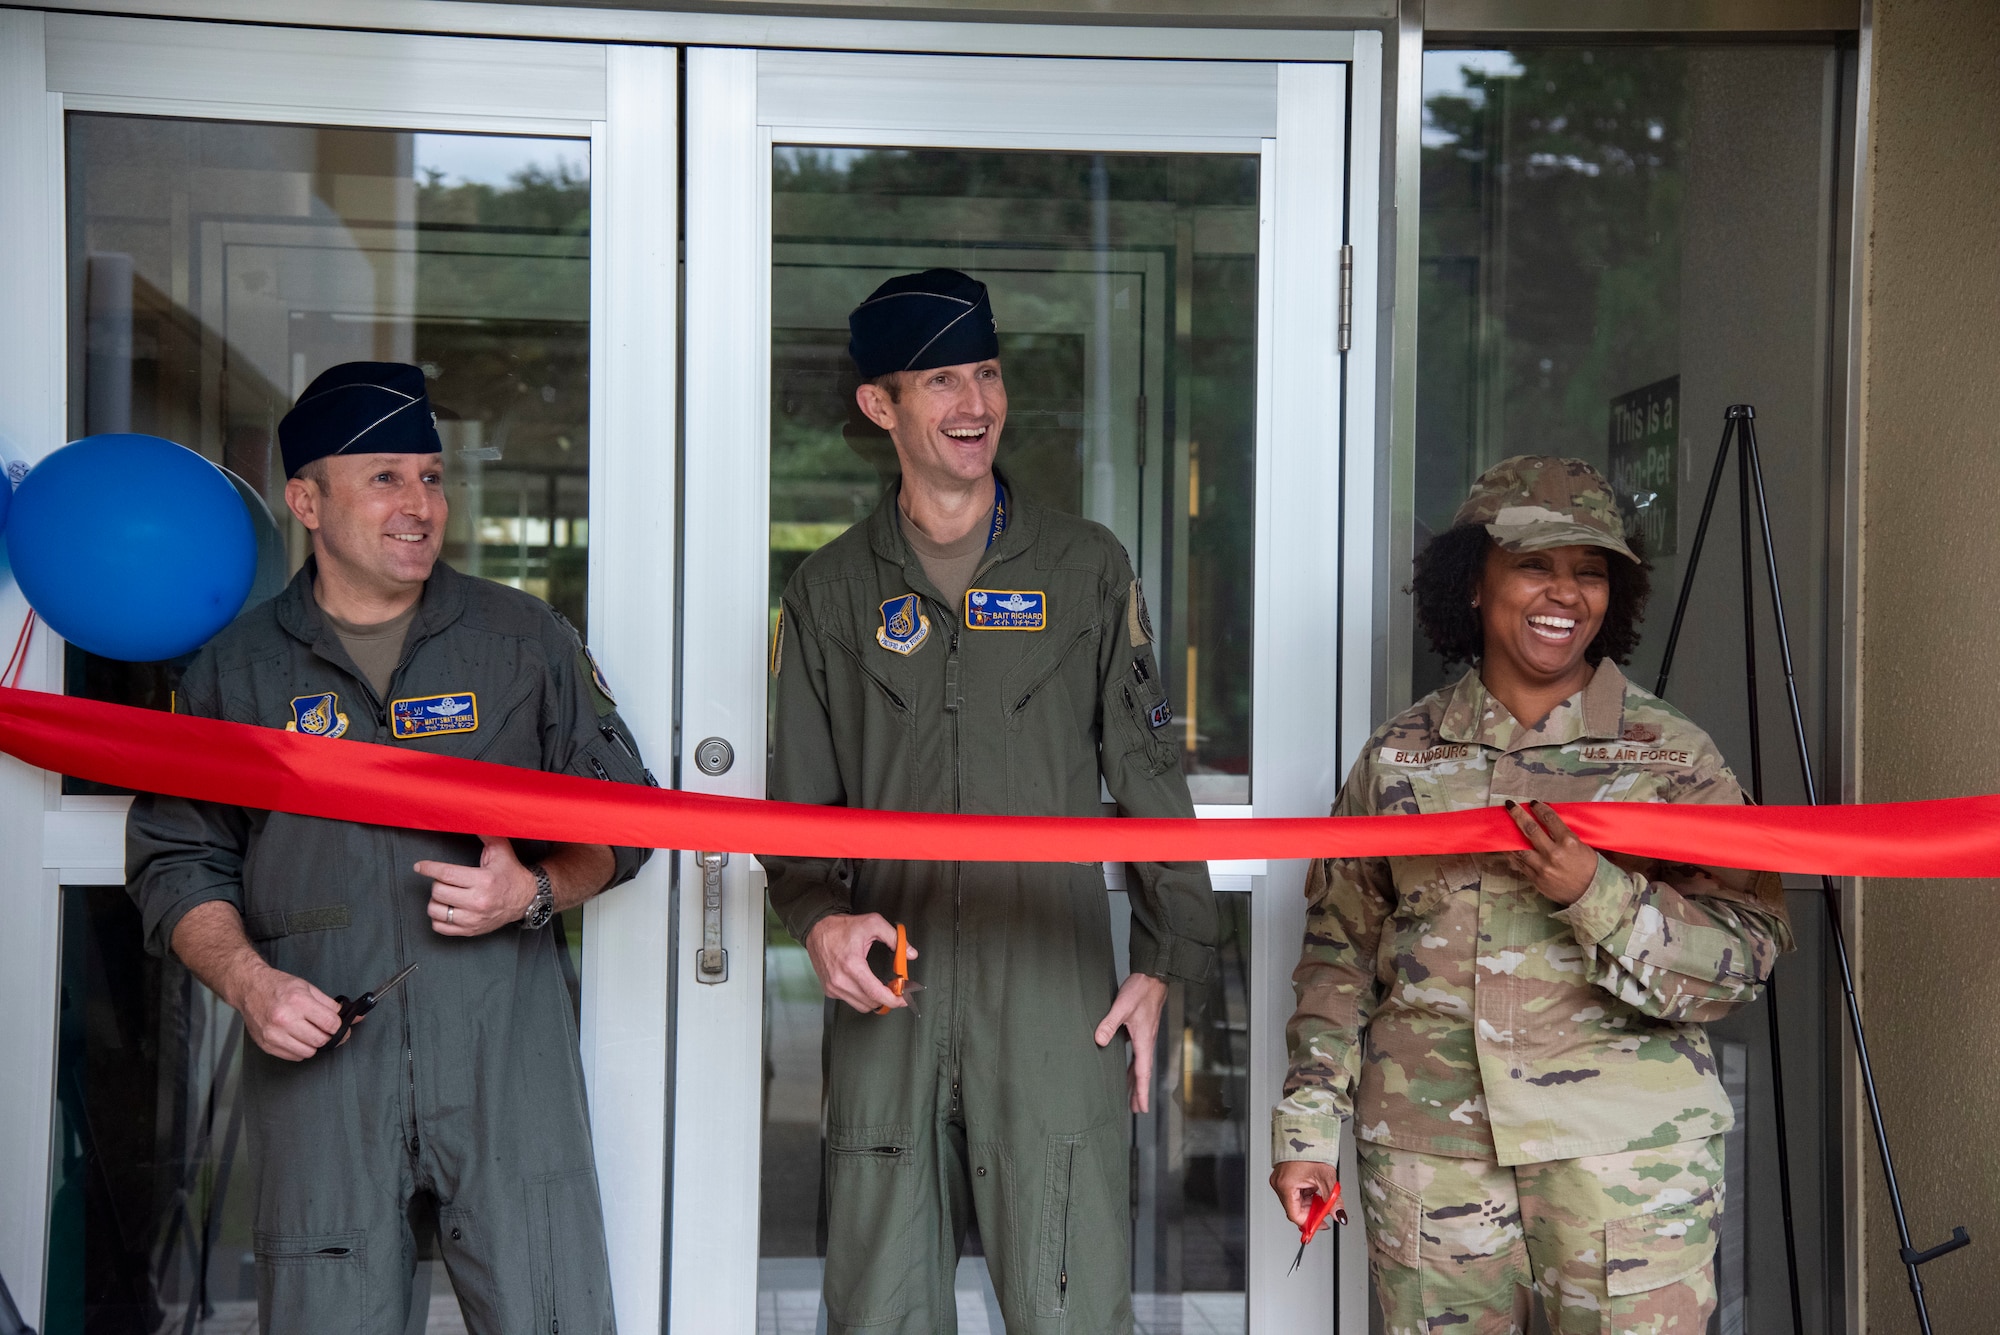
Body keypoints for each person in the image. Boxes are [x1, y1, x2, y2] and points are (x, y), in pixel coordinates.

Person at [126, 362, 653, 1335]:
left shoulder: (520, 640)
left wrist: (531, 891)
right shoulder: (234, 673)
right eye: (384, 477)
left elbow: (624, 817)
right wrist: (250, 985)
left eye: (431, 477)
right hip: (322, 1058)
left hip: (505, 1058)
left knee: (552, 1312)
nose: (419, 503)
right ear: (306, 500)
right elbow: (177, 858)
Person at [760, 268, 1218, 1335]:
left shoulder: (1084, 570)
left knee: (1070, 1305)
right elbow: (796, 817)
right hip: (891, 1006)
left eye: (987, 374)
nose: (975, 405)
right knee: (880, 1310)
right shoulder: (829, 592)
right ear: (881, 405)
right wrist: (817, 920)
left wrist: (1162, 964)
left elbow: (1151, 780)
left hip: (1053, 1002)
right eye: (940, 382)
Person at [1268, 457, 1792, 1333]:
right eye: (1536, 564)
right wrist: (1306, 1127)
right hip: (1433, 1160)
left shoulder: (1671, 759)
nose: (1566, 593)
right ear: (1475, 582)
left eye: (1591, 570)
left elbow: (1745, 958)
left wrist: (1599, 894)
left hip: (1626, 1161)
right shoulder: (1400, 758)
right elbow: (1336, 954)